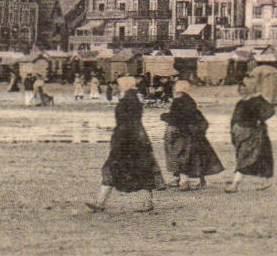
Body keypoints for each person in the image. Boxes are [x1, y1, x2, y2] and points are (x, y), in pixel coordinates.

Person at [88, 75, 163, 213]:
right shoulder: (133, 99)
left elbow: (126, 124)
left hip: (127, 142)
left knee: (112, 169)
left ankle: (100, 203)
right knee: (141, 170)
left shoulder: (127, 101)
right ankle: (147, 202)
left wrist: (118, 139)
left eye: (119, 84)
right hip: (135, 140)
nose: (116, 87)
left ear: (125, 85)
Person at [161, 80, 225, 190]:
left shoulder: (179, 101)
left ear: (178, 89)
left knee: (180, 155)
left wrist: (164, 116)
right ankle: (186, 179)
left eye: (175, 87)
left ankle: (183, 181)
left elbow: (177, 118)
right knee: (195, 156)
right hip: (191, 132)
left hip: (182, 132)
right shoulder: (189, 100)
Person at [226, 82, 276, 192]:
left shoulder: (257, 100)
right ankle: (266, 181)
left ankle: (235, 184)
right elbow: (234, 119)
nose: (242, 90)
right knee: (256, 157)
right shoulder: (240, 103)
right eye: (240, 88)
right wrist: (233, 131)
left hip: (255, 134)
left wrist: (259, 119)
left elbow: (270, 111)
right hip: (242, 134)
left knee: (247, 157)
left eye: (245, 88)